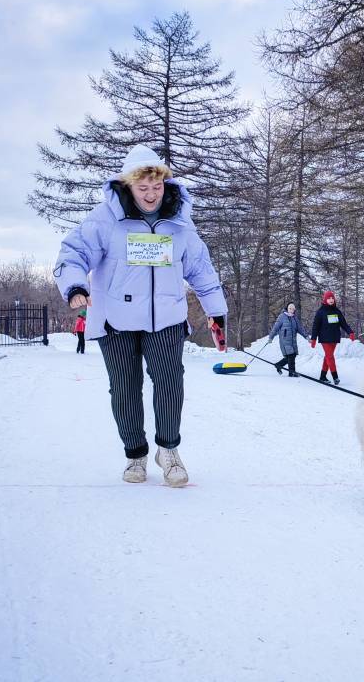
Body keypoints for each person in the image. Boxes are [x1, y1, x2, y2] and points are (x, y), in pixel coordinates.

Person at [54, 145, 227, 487]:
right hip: (116, 320)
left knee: (170, 382)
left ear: (165, 184)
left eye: (156, 187)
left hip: (166, 318)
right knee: (124, 389)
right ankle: (136, 455)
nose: (150, 195)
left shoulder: (179, 222)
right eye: (142, 188)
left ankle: (169, 451)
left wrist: (216, 313)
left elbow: (201, 269)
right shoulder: (106, 219)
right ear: (129, 186)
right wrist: (75, 286)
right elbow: (73, 252)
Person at [310, 290, 355, 385]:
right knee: (330, 356)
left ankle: (322, 376)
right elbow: (315, 326)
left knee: (327, 357)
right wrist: (313, 339)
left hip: (334, 337)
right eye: (329, 298)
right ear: (325, 300)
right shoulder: (321, 312)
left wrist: (350, 332)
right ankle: (335, 377)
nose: (331, 300)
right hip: (324, 338)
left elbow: (343, 323)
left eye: (332, 298)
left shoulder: (336, 311)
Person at [268, 302, 308, 377]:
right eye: (290, 308)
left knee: (291, 356)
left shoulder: (294, 318)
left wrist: (306, 337)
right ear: (287, 308)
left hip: (293, 341)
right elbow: (275, 328)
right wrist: (271, 337)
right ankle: (292, 372)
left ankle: (278, 365)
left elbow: (300, 329)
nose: (291, 310)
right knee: (291, 355)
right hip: (284, 340)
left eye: (293, 309)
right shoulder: (282, 317)